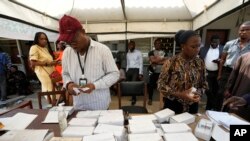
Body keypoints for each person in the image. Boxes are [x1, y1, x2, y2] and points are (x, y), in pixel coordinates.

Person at [58, 15, 119, 110]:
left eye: (74, 39)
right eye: (68, 42)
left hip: (100, 106)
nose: (72, 44)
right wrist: (68, 84)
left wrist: (95, 85)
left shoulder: (103, 50)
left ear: (83, 32)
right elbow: (65, 73)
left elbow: (114, 74)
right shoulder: (67, 52)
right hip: (78, 105)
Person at [157, 30, 207, 114]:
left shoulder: (200, 62)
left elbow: (204, 84)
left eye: (199, 46)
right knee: (172, 127)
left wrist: (199, 93)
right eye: (193, 47)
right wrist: (180, 94)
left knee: (191, 126)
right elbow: (161, 85)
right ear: (183, 46)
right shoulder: (171, 62)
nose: (197, 49)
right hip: (173, 106)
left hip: (192, 107)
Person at [218, 21, 250, 99]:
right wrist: (219, 74)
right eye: (242, 30)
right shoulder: (229, 44)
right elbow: (222, 60)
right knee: (221, 93)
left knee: (236, 93)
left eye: (247, 30)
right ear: (238, 31)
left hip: (242, 74)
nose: (244, 32)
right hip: (227, 72)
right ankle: (217, 110)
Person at [199, 35, 224, 110]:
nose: (214, 44)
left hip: (218, 73)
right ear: (210, 42)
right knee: (208, 90)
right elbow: (200, 59)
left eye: (216, 42)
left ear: (219, 42)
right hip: (207, 73)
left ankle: (209, 107)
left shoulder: (222, 49)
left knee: (216, 91)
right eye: (213, 42)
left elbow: (225, 60)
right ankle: (214, 105)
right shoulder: (204, 49)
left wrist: (219, 61)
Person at [147, 38, 167, 105]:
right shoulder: (151, 52)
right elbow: (152, 61)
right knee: (151, 85)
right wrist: (161, 60)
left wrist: (156, 60)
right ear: (154, 45)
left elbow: (166, 62)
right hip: (152, 71)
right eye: (156, 43)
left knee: (163, 86)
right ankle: (150, 99)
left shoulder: (164, 52)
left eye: (159, 43)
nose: (158, 44)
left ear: (161, 45)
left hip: (162, 72)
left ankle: (164, 99)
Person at [126, 40, 143, 105]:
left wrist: (140, 73)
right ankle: (133, 96)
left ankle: (134, 99)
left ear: (134, 45)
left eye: (131, 45)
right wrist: (127, 71)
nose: (130, 46)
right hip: (129, 70)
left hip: (136, 69)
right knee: (130, 84)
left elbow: (141, 63)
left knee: (133, 83)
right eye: (129, 45)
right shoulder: (128, 53)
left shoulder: (139, 53)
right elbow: (127, 63)